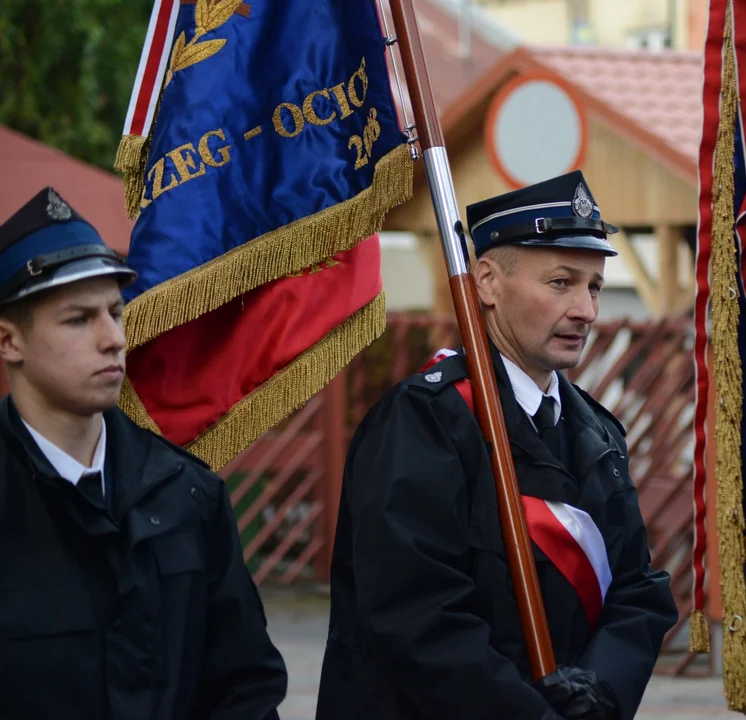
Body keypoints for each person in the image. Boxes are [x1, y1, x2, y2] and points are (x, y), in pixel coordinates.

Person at [316, 171, 678, 719]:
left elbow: (637, 591)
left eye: (595, 286)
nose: (586, 310)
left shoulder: (596, 431)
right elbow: (416, 614)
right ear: (486, 281)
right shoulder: (423, 423)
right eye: (561, 283)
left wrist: (599, 692)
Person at [0, 188, 287, 719]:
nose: (112, 338)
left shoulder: (186, 494)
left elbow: (243, 686)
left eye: (115, 312)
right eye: (79, 319)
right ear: (9, 341)